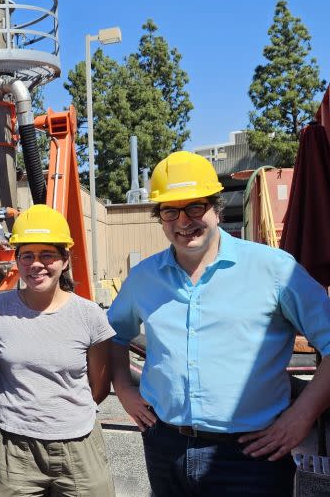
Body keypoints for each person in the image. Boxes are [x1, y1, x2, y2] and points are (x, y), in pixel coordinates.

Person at [108, 151, 330, 496]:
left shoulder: (273, 270)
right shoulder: (143, 278)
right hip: (166, 446)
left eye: (195, 206)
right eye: (170, 210)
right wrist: (123, 389)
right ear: (160, 218)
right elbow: (113, 335)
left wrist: (301, 417)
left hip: (253, 454)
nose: (184, 221)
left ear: (216, 207)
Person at [0, 204, 116, 496]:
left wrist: (61, 414)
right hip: (14, 450)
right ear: (16, 259)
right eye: (27, 255)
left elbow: (100, 386)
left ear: (65, 259)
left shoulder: (89, 315)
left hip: (79, 446)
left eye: (47, 255)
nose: (36, 264)